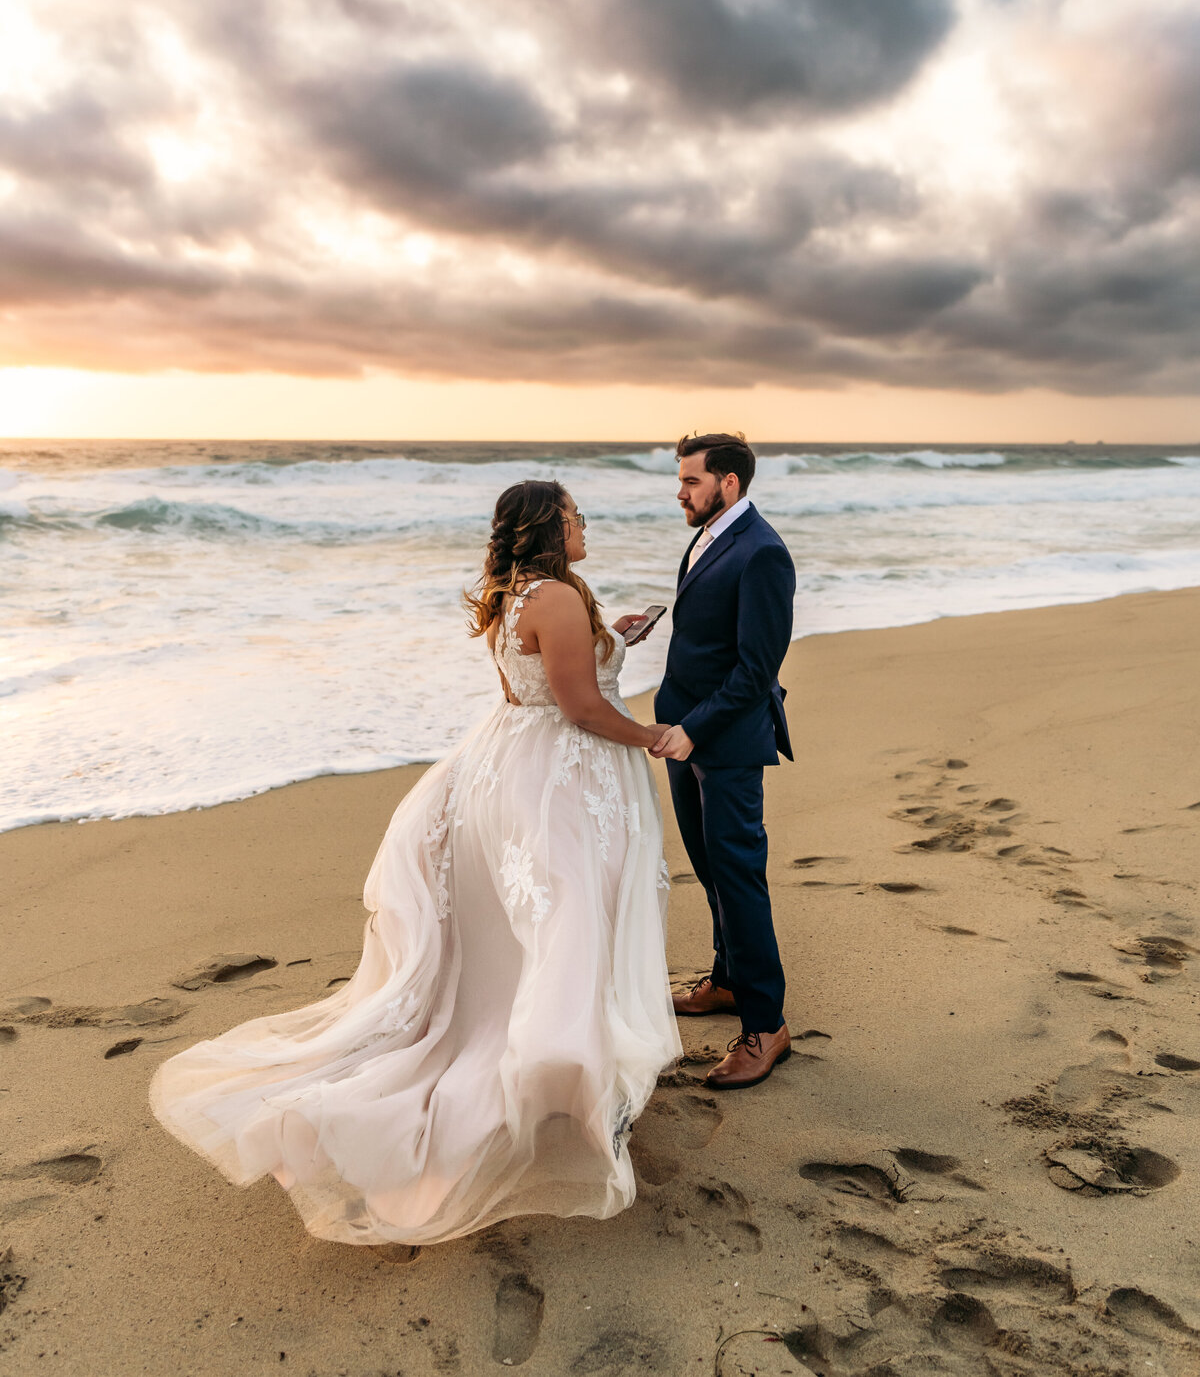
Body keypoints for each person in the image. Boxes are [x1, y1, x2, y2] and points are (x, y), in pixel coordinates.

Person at [150, 481, 680, 1246]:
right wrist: (656, 736)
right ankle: (566, 1080)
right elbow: (579, 709)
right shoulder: (560, 599)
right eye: (574, 517)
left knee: (543, 924)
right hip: (562, 776)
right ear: (546, 528)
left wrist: (615, 640)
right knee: (573, 918)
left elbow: (522, 687)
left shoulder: (516, 595)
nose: (584, 525)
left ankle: (569, 1072)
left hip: (512, 766)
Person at [650, 432, 796, 1090]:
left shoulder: (763, 554)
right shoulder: (709, 535)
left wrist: (694, 730)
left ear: (728, 483)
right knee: (710, 868)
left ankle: (766, 1025)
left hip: (727, 743)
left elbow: (757, 670)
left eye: (690, 481)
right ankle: (729, 980)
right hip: (686, 733)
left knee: (739, 876)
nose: (680, 491)